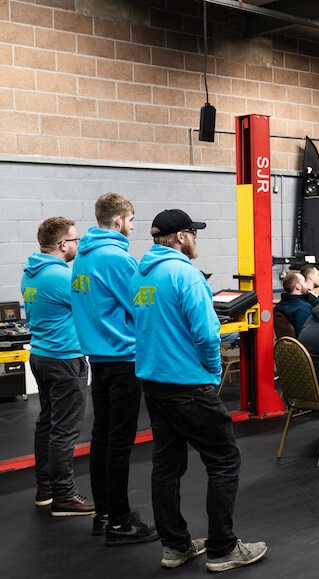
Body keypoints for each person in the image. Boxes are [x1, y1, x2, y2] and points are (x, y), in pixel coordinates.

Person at [130, 209, 266, 571]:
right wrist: (212, 371)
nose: (196, 239)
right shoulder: (185, 274)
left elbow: (138, 324)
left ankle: (175, 546)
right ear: (180, 237)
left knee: (167, 466)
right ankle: (223, 548)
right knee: (224, 461)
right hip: (189, 385)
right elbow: (207, 334)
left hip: (153, 384)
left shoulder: (141, 275)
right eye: (193, 233)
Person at [70, 192, 155, 543]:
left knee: (102, 439)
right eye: (132, 221)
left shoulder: (83, 257)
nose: (132, 228)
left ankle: (104, 513)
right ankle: (120, 522)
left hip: (99, 360)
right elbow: (140, 305)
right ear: (119, 220)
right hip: (123, 359)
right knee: (119, 441)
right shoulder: (117, 258)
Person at [21, 217, 94, 517]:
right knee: (64, 430)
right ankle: (64, 495)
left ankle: (47, 488)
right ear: (63, 244)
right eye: (75, 240)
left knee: (48, 424)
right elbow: (92, 304)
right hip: (64, 359)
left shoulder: (31, 273)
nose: (78, 244)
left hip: (42, 356)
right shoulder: (60, 276)